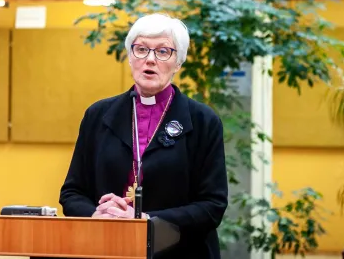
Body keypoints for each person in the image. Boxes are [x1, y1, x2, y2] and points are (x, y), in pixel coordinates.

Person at [58, 13, 228, 258]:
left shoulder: (203, 121)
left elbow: (212, 206)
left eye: (163, 52)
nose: (150, 60)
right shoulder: (98, 115)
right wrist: (97, 215)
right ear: (130, 57)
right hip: (108, 250)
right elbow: (72, 193)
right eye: (141, 49)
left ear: (178, 63)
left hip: (180, 252)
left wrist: (147, 221)